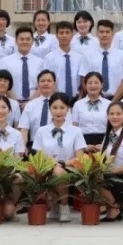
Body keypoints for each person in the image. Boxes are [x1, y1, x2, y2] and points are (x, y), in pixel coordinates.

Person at [34, 92, 87, 223]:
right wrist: (50, 163)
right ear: (49, 109)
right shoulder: (41, 131)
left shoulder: (76, 131)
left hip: (70, 167)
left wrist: (62, 164)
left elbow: (80, 158)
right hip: (47, 167)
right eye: (55, 107)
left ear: (68, 109)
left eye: (62, 108)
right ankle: (54, 205)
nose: (58, 111)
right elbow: (38, 157)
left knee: (58, 171)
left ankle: (64, 206)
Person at [99, 101, 123, 222]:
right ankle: (111, 205)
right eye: (111, 114)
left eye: (118, 114)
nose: (114, 117)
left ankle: (114, 207)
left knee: (98, 178)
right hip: (111, 175)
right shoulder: (108, 136)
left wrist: (110, 171)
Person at [0, 26, 46, 109]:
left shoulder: (40, 62)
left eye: (28, 39)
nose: (25, 42)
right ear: (16, 41)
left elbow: (41, 86)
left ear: (32, 41)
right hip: (11, 105)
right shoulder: (5, 62)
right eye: (21, 39)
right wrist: (15, 103)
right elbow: (5, 85)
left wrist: (30, 103)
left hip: (34, 105)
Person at [82, 19, 123, 100]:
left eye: (107, 32)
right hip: (94, 99)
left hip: (117, 100)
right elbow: (84, 79)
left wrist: (113, 102)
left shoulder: (122, 55)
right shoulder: (88, 55)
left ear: (112, 34)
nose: (104, 35)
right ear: (97, 33)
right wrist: (96, 99)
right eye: (101, 32)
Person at [46, 20, 86, 97]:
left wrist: (80, 98)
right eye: (61, 33)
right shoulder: (49, 58)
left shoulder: (80, 58)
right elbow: (47, 81)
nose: (64, 35)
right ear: (56, 35)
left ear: (72, 35)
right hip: (57, 99)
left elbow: (82, 81)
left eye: (67, 33)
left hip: (77, 98)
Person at [19, 70, 59, 147]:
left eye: (49, 81)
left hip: (56, 145)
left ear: (54, 84)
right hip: (34, 145)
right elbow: (24, 129)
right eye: (42, 81)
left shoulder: (61, 104)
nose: (46, 83)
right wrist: (23, 147)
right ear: (38, 85)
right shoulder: (30, 105)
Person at [72, 72, 110, 146]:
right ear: (85, 85)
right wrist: (83, 146)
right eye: (90, 83)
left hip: (104, 142)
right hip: (83, 142)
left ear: (102, 85)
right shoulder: (78, 105)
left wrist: (104, 145)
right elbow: (74, 128)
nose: (93, 85)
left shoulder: (109, 104)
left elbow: (114, 129)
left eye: (96, 83)